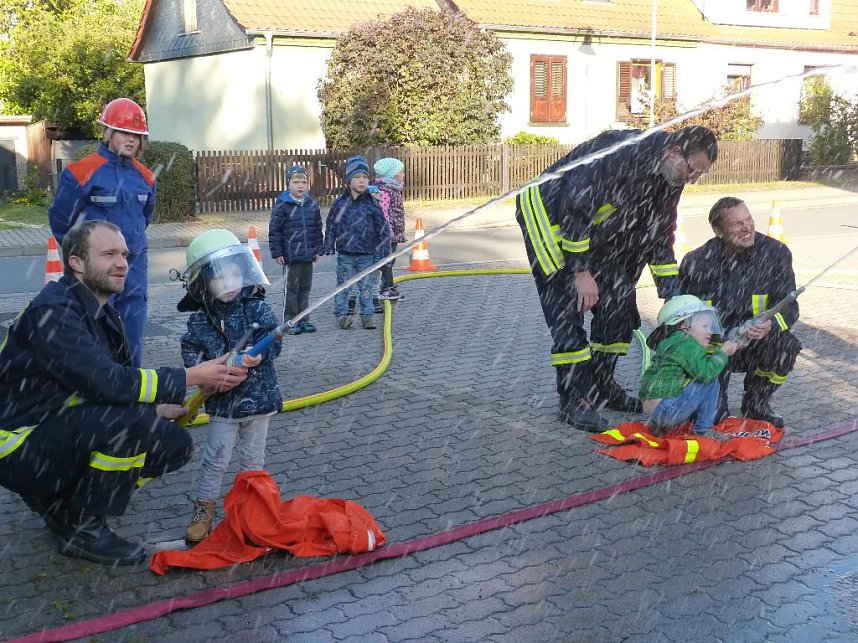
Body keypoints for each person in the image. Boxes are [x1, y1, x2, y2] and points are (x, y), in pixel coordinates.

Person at [0, 220, 248, 566]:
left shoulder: (100, 314)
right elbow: (105, 382)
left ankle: (61, 505)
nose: (122, 263)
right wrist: (191, 375)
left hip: (50, 430)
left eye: (125, 255)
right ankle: (82, 526)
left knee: (172, 444)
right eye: (109, 254)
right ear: (76, 262)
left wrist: (159, 407)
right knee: (129, 424)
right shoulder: (55, 313)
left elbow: (105, 383)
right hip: (17, 446)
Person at [515, 125, 718, 432]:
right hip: (548, 212)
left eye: (699, 175)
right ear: (674, 152)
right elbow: (576, 208)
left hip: (588, 227)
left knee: (619, 302)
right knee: (568, 303)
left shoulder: (671, 175)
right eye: (692, 171)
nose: (692, 179)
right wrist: (581, 272)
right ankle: (573, 400)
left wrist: (675, 301)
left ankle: (601, 386)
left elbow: (660, 235)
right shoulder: (621, 152)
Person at [176, 229, 283, 543]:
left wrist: (255, 357)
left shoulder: (257, 307)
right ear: (202, 284)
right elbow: (190, 352)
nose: (230, 283)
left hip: (259, 401)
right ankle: (204, 510)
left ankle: (254, 511)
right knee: (216, 459)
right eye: (220, 278)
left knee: (253, 461)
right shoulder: (199, 320)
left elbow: (274, 343)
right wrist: (199, 371)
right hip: (223, 405)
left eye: (235, 274)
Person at [49, 98, 155, 367]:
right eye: (123, 132)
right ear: (108, 133)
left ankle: (130, 390)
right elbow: (62, 222)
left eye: (136, 134)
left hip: (134, 269)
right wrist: (85, 259)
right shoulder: (81, 173)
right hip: (93, 269)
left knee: (131, 330)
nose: (130, 139)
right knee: (92, 329)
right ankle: (96, 390)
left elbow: (145, 217)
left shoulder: (146, 177)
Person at [679, 197, 801, 428]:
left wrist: (771, 325)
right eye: (737, 224)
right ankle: (710, 402)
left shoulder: (776, 254)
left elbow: (790, 308)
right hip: (714, 349)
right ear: (719, 231)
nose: (747, 228)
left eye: (749, 220)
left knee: (786, 347)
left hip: (756, 342)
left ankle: (757, 403)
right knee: (714, 420)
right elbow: (685, 315)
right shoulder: (697, 262)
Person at [640, 295, 739, 438]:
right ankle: (704, 430)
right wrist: (723, 353)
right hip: (668, 410)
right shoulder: (688, 344)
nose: (710, 332)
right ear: (685, 327)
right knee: (710, 381)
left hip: (651, 410)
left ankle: (659, 425)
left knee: (691, 378)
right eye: (705, 326)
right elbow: (707, 372)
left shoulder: (672, 342)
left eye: (710, 327)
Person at [324, 155, 391, 330]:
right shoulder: (340, 204)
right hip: (346, 254)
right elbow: (331, 224)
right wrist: (328, 243)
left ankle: (367, 316)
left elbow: (382, 227)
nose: (362, 181)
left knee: (366, 287)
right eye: (357, 177)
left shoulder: (372, 203)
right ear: (348, 180)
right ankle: (342, 315)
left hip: (366, 255)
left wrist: (385, 251)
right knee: (344, 286)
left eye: (365, 177)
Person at [268, 165, 323, 334]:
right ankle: (290, 322)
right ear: (288, 184)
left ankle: (304, 319)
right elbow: (274, 231)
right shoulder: (282, 205)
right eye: (296, 182)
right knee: (291, 291)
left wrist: (318, 249)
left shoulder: (311, 204)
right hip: (291, 257)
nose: (300, 185)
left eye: (304, 182)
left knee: (305, 289)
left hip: (308, 256)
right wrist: (277, 253)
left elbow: (317, 228)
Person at [373, 157, 408, 301]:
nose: (403, 174)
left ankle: (389, 285)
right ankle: (384, 288)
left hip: (393, 234)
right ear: (392, 174)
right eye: (401, 172)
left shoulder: (392, 189)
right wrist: (390, 231)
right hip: (387, 235)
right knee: (387, 261)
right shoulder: (385, 192)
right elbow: (383, 214)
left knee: (390, 260)